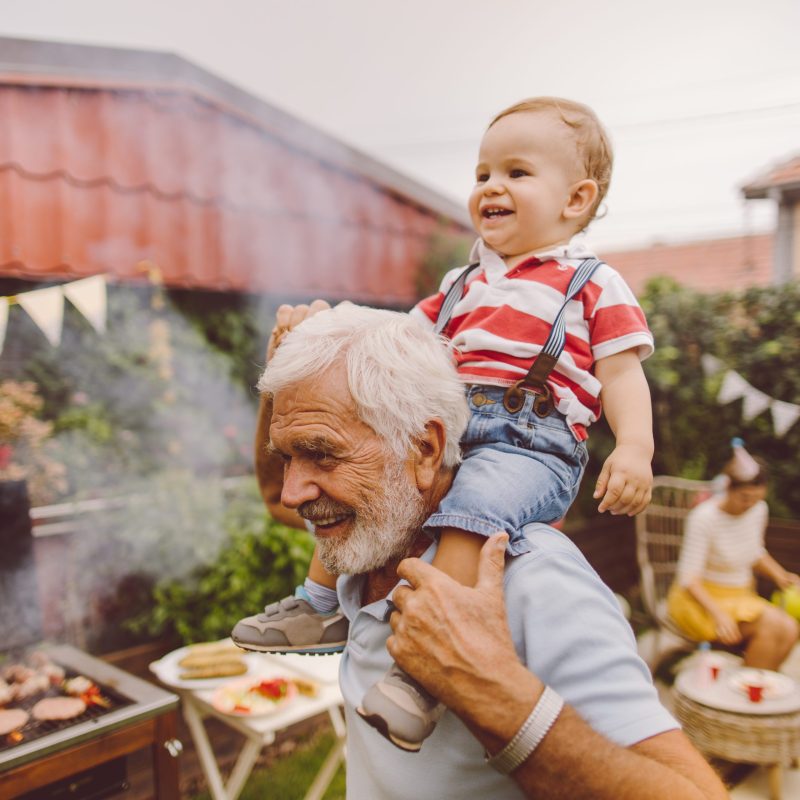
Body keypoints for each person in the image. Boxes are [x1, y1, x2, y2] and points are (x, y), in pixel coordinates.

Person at [234, 96, 655, 750]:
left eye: (516, 172)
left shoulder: (592, 284)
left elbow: (623, 375)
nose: (491, 185)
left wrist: (633, 449)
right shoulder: (461, 284)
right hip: (457, 429)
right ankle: (318, 608)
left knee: (470, 512)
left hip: (529, 447)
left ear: (576, 199)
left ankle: (424, 672)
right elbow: (392, 337)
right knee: (365, 494)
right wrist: (323, 327)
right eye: (483, 172)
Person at [244, 302, 726, 799]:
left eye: (321, 453)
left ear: (425, 450)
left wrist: (492, 693)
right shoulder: (364, 534)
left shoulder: (534, 580)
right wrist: (281, 376)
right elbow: (269, 494)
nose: (292, 492)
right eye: (289, 457)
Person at [667, 442, 800, 669]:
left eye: (756, 497)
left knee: (790, 629)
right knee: (771, 629)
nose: (749, 504)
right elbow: (689, 579)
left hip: (740, 597)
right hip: (701, 601)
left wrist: (780, 575)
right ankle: (749, 691)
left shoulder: (759, 510)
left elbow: (754, 552)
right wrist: (718, 615)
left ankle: (755, 684)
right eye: (744, 497)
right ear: (728, 488)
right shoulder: (704, 518)